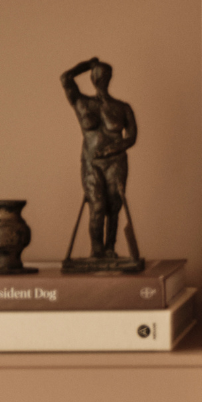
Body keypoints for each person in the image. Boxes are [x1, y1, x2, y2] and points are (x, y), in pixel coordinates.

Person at [60, 56, 142, 269]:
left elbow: (131, 137)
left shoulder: (123, 107)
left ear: (110, 78)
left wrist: (115, 148)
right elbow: (65, 78)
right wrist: (88, 63)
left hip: (116, 161)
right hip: (92, 163)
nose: (100, 78)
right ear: (92, 78)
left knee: (114, 206)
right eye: (97, 75)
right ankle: (96, 251)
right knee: (97, 205)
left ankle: (110, 248)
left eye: (104, 75)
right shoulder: (82, 102)